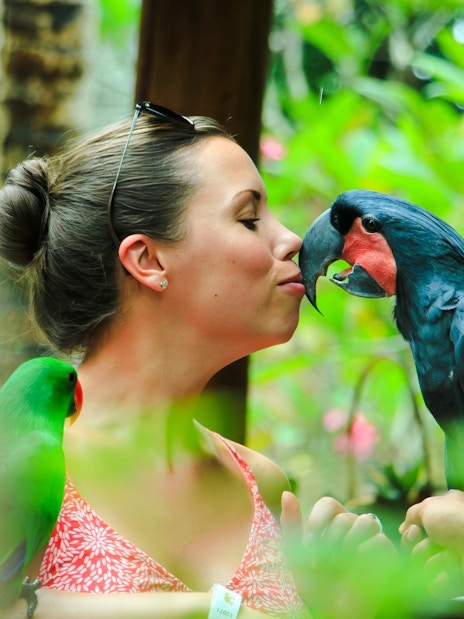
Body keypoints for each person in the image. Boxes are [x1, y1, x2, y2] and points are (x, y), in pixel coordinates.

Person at [0, 101, 391, 619]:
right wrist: (206, 611)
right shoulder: (18, 465)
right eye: (249, 218)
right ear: (148, 260)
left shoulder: (264, 486)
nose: (292, 240)